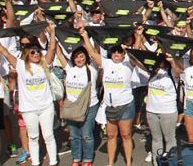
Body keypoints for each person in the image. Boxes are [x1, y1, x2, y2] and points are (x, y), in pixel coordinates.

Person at [0, 23, 59, 166]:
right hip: (29, 109)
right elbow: (4, 52)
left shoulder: (44, 64)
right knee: (33, 137)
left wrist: (52, 32)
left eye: (37, 52)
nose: (36, 54)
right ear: (27, 54)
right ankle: (35, 162)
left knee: (48, 135)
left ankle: (53, 162)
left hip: (46, 107)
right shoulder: (20, 65)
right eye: (32, 52)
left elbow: (52, 48)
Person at [82, 27, 137, 166]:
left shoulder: (128, 63)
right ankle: (110, 163)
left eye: (120, 51)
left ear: (124, 53)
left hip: (125, 105)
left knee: (126, 136)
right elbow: (92, 53)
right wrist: (84, 36)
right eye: (114, 51)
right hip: (109, 105)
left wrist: (139, 36)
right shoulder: (106, 63)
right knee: (111, 136)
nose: (117, 53)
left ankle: (128, 163)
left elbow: (136, 53)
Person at [56, 45, 99, 166]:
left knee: (86, 135)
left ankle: (88, 159)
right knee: (74, 135)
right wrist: (53, 33)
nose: (79, 59)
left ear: (86, 57)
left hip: (89, 106)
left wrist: (86, 36)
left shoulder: (92, 69)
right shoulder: (70, 69)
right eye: (76, 57)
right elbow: (59, 54)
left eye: (81, 56)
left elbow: (95, 52)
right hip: (72, 107)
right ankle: (76, 158)